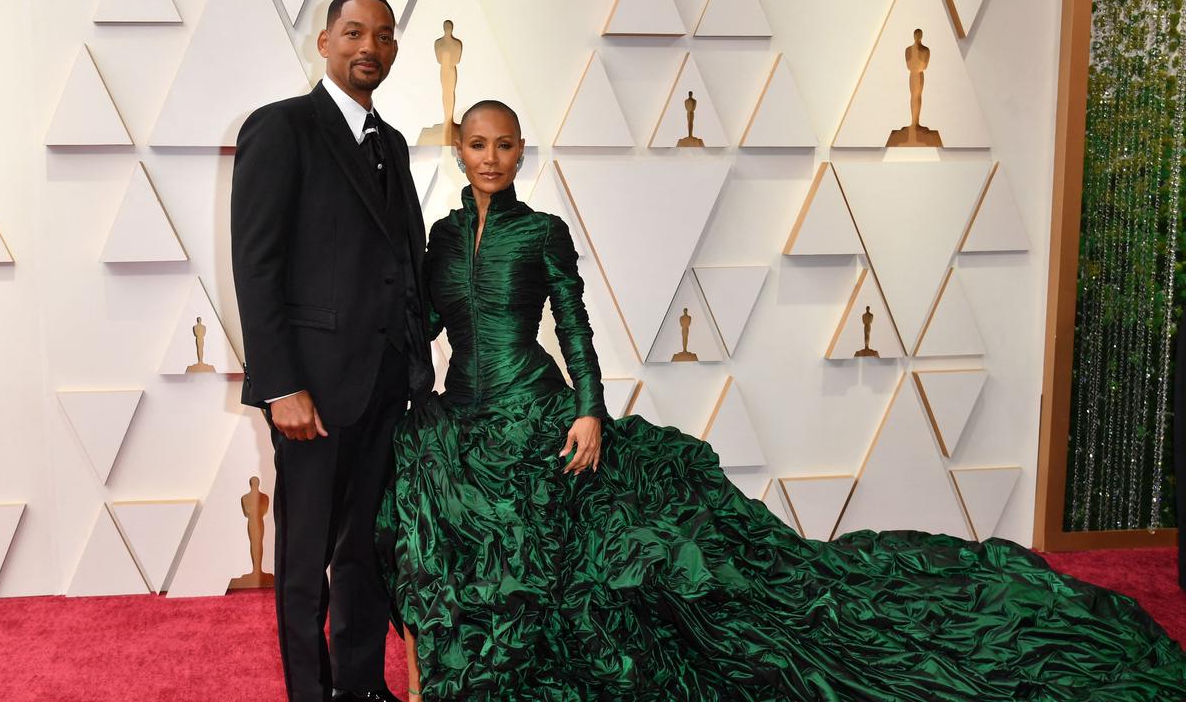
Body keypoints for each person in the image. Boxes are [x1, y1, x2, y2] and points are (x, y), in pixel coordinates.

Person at [376, 100, 1186, 701]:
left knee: (636, 561)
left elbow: (575, 327)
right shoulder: (439, 240)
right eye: (477, 145)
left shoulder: (542, 231)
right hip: (463, 418)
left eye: (504, 144)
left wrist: (590, 408)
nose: (490, 157)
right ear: (459, 149)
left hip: (543, 413)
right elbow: (423, 329)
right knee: (427, 513)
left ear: (522, 151)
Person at [231, 0, 432, 702]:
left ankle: (360, 684)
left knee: (367, 553)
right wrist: (281, 384)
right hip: (309, 392)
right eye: (353, 33)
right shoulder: (281, 129)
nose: (367, 46)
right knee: (305, 558)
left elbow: (401, 261)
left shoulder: (394, 143)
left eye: (382, 35)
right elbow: (256, 267)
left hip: (384, 385)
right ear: (324, 43)